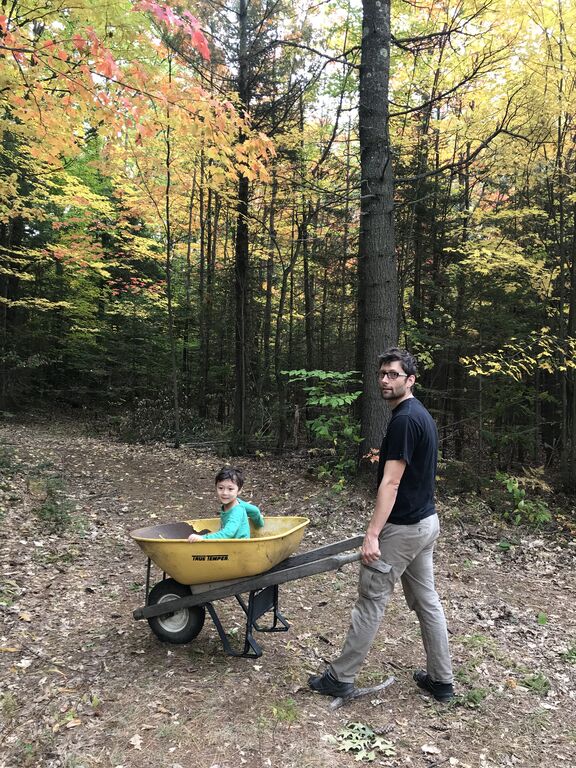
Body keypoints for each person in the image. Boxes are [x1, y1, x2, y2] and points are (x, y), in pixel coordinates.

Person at [308, 347, 454, 702]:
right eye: (382, 374)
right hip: (425, 523)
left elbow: (391, 482)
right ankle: (441, 681)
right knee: (427, 601)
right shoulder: (418, 414)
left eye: (393, 374)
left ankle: (340, 677)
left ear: (410, 380)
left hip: (404, 529)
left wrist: (373, 534)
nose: (385, 380)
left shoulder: (405, 420)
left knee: (371, 598)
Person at [188, 466, 264, 541]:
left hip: (239, 545)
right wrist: (259, 523)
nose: (224, 493)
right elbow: (255, 511)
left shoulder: (237, 511)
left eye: (230, 489)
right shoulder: (238, 502)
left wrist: (203, 538)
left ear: (239, 490)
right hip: (229, 542)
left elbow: (228, 533)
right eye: (221, 488)